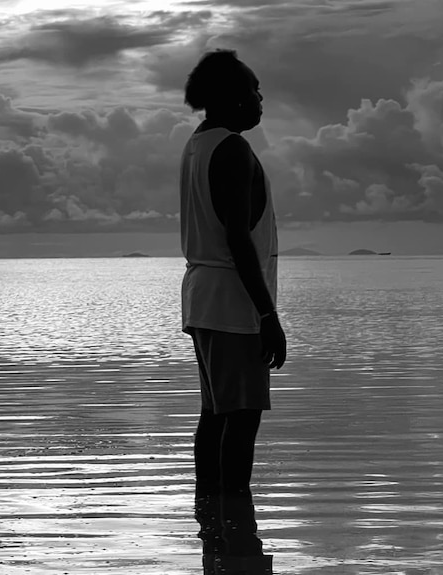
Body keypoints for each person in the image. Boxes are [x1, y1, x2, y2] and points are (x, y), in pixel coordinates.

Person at [179, 49, 286, 574]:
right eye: (254, 89)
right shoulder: (233, 149)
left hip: (203, 298)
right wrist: (267, 315)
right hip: (232, 302)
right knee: (239, 421)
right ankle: (235, 539)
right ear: (232, 97)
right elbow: (239, 238)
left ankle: (215, 532)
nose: (261, 99)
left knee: (215, 418)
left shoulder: (198, 145)